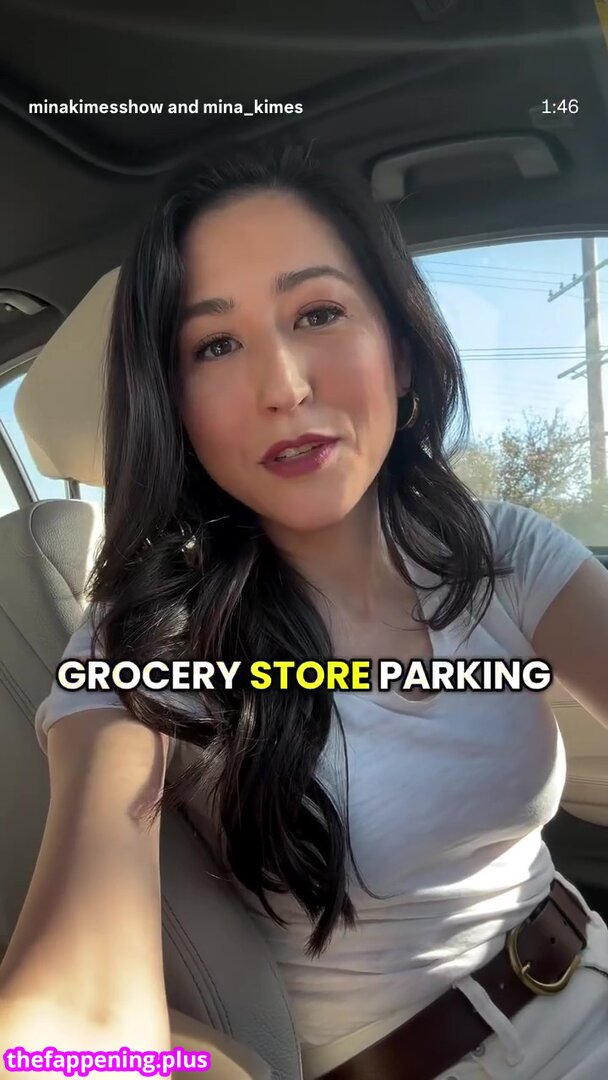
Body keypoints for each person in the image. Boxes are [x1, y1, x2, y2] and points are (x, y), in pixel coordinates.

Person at [2, 142, 608, 1080]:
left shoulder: (498, 549)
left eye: (318, 313)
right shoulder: (144, 644)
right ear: (174, 407)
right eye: (214, 346)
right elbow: (71, 1022)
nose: (283, 386)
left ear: (399, 349)